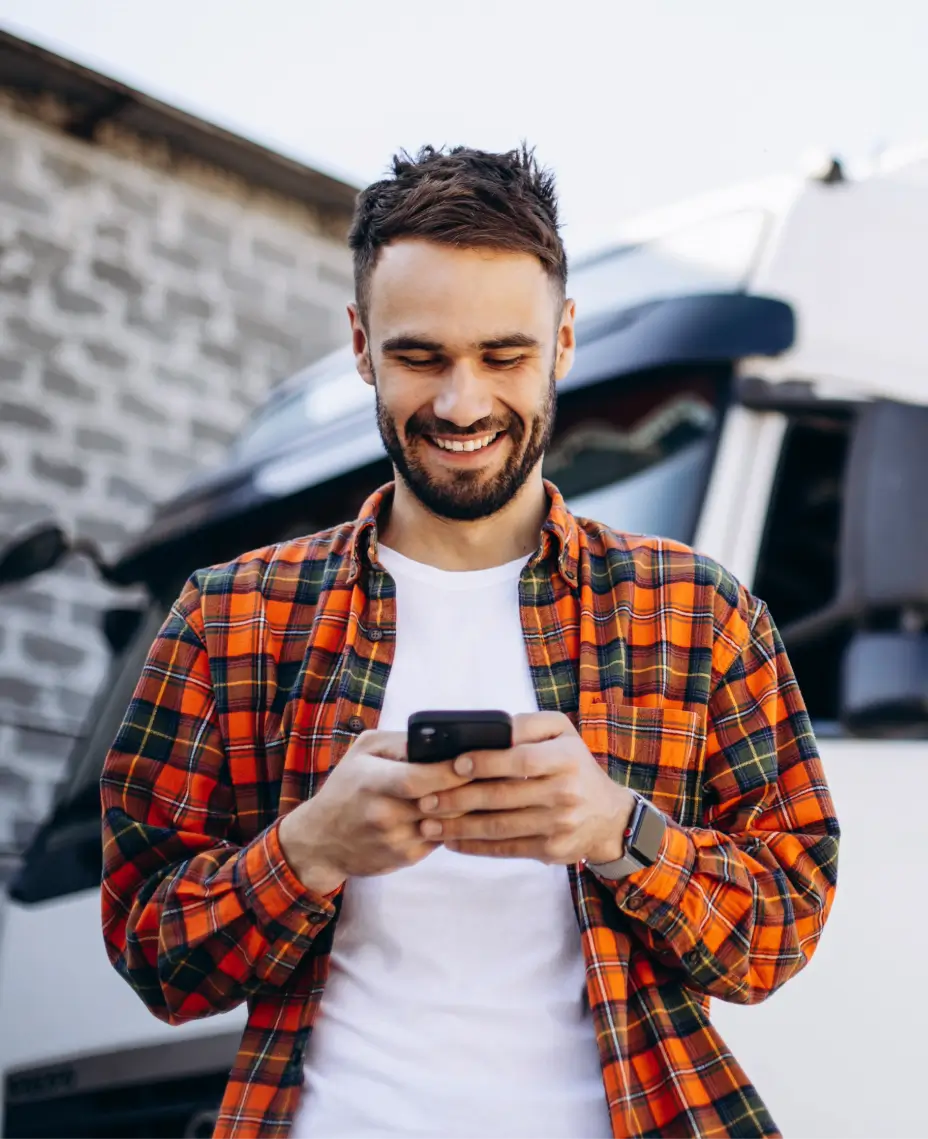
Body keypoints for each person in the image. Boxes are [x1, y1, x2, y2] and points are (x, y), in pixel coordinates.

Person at [101, 145, 840, 1139]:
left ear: (563, 341)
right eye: (419, 357)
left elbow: (783, 919)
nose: (460, 403)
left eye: (502, 356)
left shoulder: (700, 613)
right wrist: (310, 848)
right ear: (361, 345)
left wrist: (622, 831)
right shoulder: (229, 617)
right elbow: (151, 950)